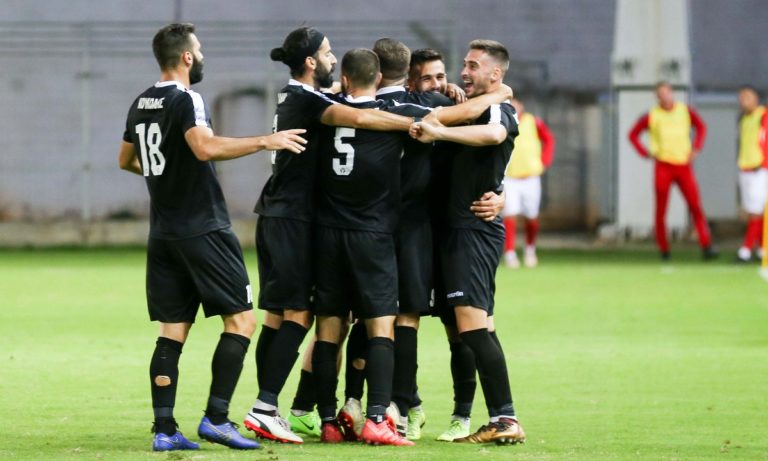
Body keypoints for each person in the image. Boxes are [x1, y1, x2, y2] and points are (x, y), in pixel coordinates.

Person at [118, 22, 307, 452]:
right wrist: (266, 141)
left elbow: (126, 159)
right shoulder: (187, 98)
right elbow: (204, 147)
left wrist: (166, 172)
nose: (202, 57)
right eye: (199, 50)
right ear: (186, 56)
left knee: (172, 330)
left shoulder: (141, 101)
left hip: (164, 232)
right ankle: (217, 419)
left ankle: (165, 429)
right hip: (203, 227)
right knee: (241, 321)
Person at [244, 26, 418, 445]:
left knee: (281, 318)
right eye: (326, 52)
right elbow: (359, 115)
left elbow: (345, 101)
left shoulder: (300, 95)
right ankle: (265, 408)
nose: (332, 57)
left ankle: (281, 409)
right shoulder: (311, 100)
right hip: (293, 218)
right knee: (297, 316)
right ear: (310, 62)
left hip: (285, 216)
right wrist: (412, 123)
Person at [365, 39, 510, 441]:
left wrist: (501, 193)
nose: (438, 84)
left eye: (441, 76)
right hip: (410, 227)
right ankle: (405, 405)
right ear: (410, 82)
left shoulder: (467, 112)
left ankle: (463, 414)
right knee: (405, 314)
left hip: (454, 231)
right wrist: (498, 92)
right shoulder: (415, 111)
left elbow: (491, 156)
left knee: (461, 326)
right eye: (426, 78)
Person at [310, 48, 436, 447]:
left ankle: (328, 420)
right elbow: (447, 118)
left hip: (328, 234)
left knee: (329, 328)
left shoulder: (324, 110)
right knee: (382, 325)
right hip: (373, 233)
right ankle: (378, 417)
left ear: (345, 79)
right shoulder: (394, 117)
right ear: (379, 79)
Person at [410, 39, 525, 445]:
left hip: (473, 230)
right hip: (452, 230)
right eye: (465, 64)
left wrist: (441, 131)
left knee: (473, 328)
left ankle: (505, 418)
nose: (464, 72)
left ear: (495, 73)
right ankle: (497, 417)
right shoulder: (476, 104)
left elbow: (495, 134)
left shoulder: (498, 109)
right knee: (474, 329)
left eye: (473, 65)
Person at [628, 81, 717, 261]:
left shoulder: (685, 111)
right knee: (661, 209)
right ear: (657, 97)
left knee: (695, 205)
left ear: (672, 93)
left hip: (683, 166)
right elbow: (632, 134)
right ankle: (664, 249)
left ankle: (706, 245)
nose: (665, 97)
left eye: (667, 93)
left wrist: (696, 148)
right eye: (660, 94)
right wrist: (645, 152)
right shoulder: (652, 115)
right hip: (663, 166)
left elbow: (701, 127)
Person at [502, 98, 555, 268]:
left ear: (521, 106)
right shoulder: (503, 122)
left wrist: (544, 161)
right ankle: (510, 253)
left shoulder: (533, 122)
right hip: (510, 177)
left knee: (531, 216)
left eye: (516, 104)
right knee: (509, 214)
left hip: (530, 177)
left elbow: (549, 139)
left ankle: (530, 249)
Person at [735, 85, 768, 262]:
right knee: (755, 211)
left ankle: (746, 250)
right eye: (741, 97)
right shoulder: (743, 119)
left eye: (747, 96)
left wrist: (763, 162)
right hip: (745, 168)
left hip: (759, 169)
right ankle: (762, 248)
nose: (743, 101)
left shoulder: (763, 115)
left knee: (756, 210)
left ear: (756, 98)